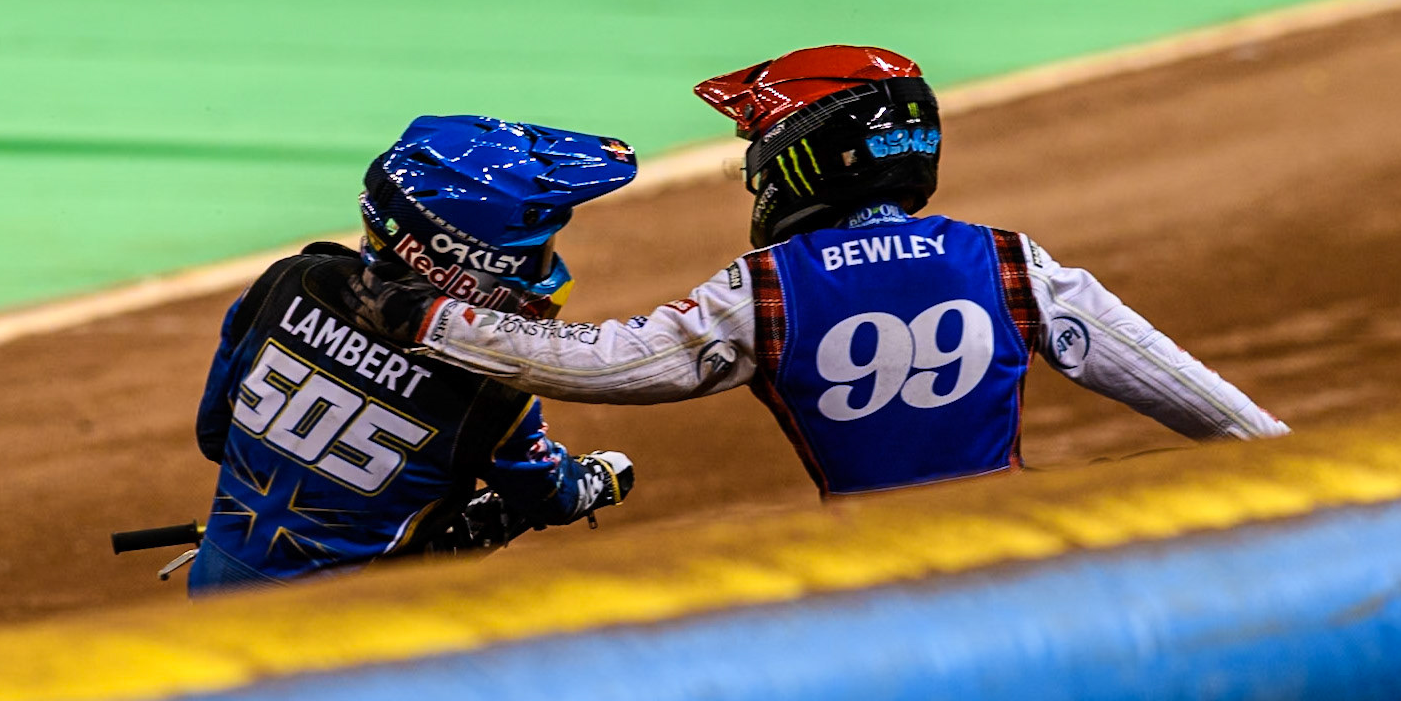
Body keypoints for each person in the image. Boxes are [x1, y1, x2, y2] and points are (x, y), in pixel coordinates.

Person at [344, 47, 1287, 498]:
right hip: (1009, 562)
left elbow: (609, 363)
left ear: (808, 155)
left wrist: (427, 318)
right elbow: (1216, 412)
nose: (750, 164)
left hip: (860, 586)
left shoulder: (766, 289)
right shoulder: (1009, 261)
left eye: (757, 141)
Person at [189, 116, 636, 595]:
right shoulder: (490, 383)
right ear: (467, 262)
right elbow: (551, 495)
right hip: (347, 627)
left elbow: (215, 434)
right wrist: (606, 475)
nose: (546, 265)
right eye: (538, 250)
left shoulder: (287, 281)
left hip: (216, 589)